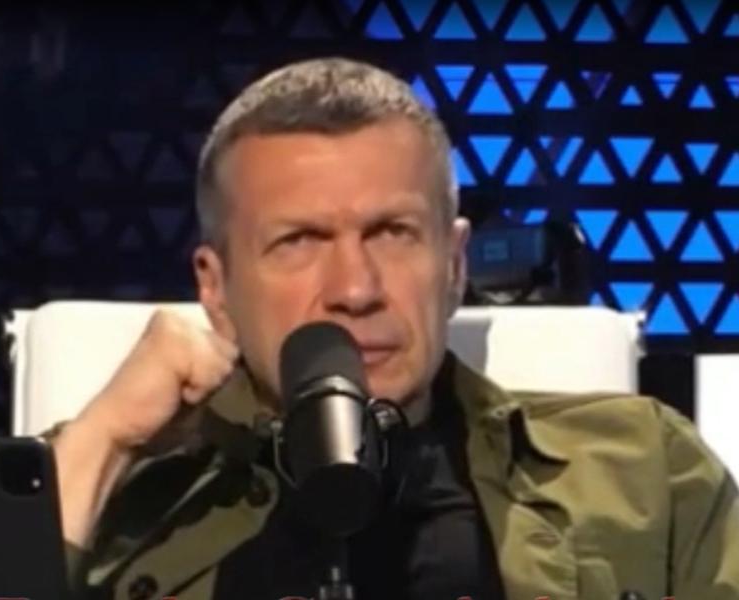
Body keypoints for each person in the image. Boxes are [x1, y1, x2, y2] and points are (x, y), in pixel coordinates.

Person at [49, 57, 739, 600]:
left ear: (454, 264)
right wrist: (102, 441)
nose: (356, 289)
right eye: (298, 241)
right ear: (216, 288)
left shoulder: (641, 468)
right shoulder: (99, 488)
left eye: (392, 233)